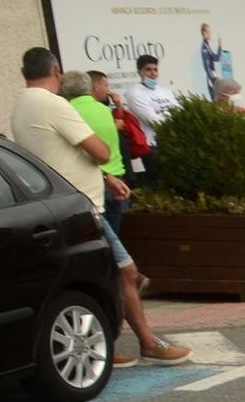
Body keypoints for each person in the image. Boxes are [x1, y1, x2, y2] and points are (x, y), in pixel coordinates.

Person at [50, 66, 190, 368]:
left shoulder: (66, 112)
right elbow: (109, 145)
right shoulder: (101, 112)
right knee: (117, 266)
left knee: (112, 265)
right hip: (113, 185)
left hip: (95, 190)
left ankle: (123, 340)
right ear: (92, 87)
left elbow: (84, 152)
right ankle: (135, 339)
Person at [123, 54, 177, 184]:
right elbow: (153, 120)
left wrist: (162, 113)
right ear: (139, 72)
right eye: (148, 69)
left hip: (171, 143)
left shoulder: (165, 91)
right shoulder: (134, 93)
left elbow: (179, 112)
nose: (153, 73)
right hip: (151, 145)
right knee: (158, 183)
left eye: (155, 69)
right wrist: (168, 116)